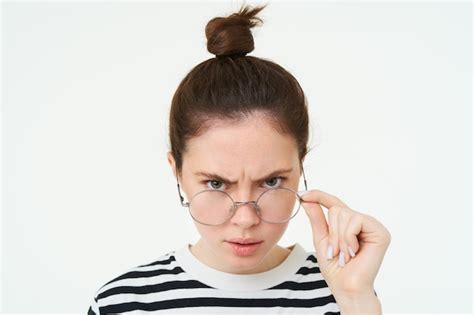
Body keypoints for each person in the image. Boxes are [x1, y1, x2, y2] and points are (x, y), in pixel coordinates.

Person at [88, 3, 391, 314]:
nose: (246, 218)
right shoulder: (123, 304)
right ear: (176, 171)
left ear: (300, 168)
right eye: (216, 183)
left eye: (271, 182)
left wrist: (356, 300)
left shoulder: (342, 293)